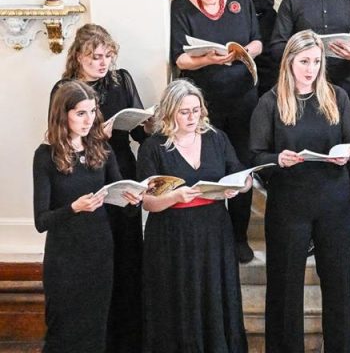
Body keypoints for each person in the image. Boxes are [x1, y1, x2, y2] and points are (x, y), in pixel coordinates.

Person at [249, 31, 350, 353]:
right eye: (303, 61)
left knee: (338, 284)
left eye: (315, 61)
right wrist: (277, 159)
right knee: (285, 288)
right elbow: (256, 155)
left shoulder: (336, 97)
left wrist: (348, 154)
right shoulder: (270, 102)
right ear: (289, 62)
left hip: (334, 202)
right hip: (289, 203)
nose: (310, 69)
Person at [271, 0, 350, 259]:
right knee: (310, 155)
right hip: (302, 93)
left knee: (344, 157)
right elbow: (275, 46)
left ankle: (344, 230)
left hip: (345, 88)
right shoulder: (293, 0)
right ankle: (312, 228)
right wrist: (302, 52)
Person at [52, 25, 148, 352]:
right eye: (95, 57)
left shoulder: (122, 80)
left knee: (127, 256)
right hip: (86, 174)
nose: (103, 62)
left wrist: (147, 124)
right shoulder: (65, 89)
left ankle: (128, 342)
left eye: (108, 55)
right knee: (97, 261)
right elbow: (60, 139)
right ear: (78, 56)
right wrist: (95, 134)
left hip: (122, 168)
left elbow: (139, 135)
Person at [137, 79, 251, 353]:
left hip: (214, 231)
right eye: (184, 111)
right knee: (177, 298)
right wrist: (175, 196)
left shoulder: (217, 138)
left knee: (213, 295)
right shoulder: (153, 147)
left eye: (196, 110)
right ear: (169, 112)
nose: (192, 117)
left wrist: (237, 187)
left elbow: (241, 175)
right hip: (171, 235)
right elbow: (148, 203)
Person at [169, 0, 262, 263]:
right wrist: (208, 58)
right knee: (207, 168)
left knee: (240, 168)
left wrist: (243, 51)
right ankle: (211, 240)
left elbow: (258, 41)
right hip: (202, 103)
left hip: (242, 98)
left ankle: (238, 237)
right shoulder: (181, 6)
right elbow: (179, 57)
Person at [33, 81, 138, 353]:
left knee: (95, 330)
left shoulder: (101, 150)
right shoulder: (45, 156)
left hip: (99, 252)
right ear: (63, 114)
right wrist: (74, 208)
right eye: (81, 113)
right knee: (62, 332)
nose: (89, 119)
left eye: (92, 112)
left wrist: (132, 199)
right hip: (64, 257)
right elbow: (41, 221)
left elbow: (120, 199)